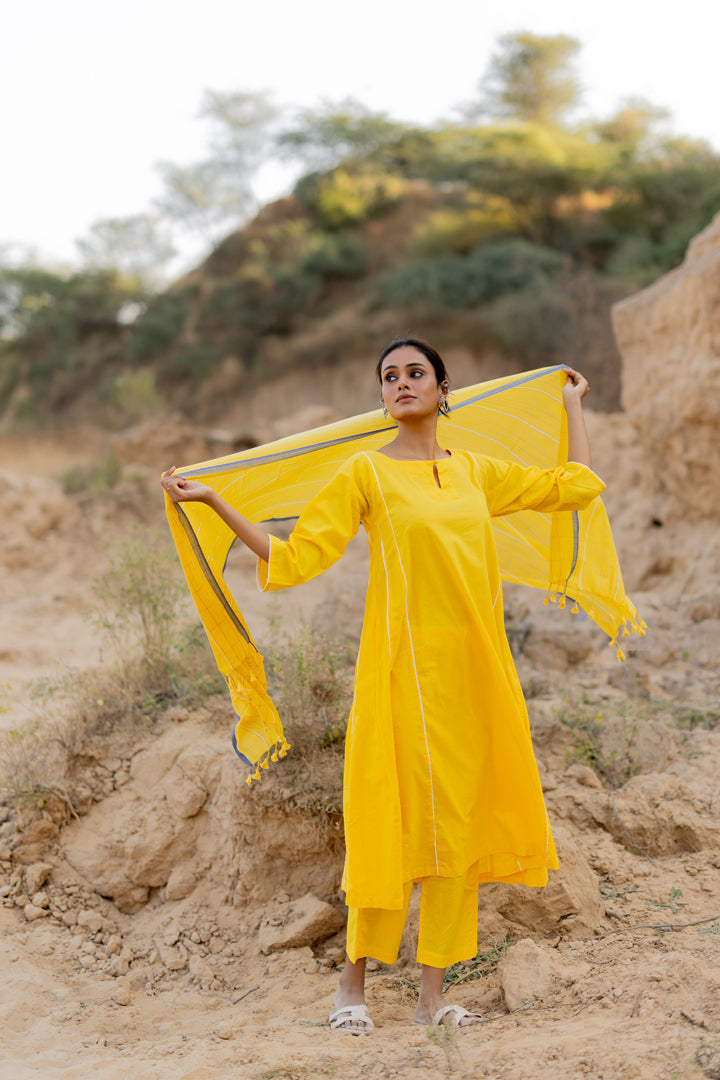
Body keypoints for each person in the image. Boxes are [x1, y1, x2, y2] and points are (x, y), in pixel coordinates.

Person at [161, 338, 604, 1034]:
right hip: (397, 674)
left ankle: (435, 998)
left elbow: (572, 485)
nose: (401, 383)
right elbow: (296, 556)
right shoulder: (364, 473)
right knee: (384, 825)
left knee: (454, 829)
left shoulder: (477, 472)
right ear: (383, 396)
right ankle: (352, 989)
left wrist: (572, 404)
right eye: (389, 377)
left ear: (442, 388)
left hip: (472, 677)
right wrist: (217, 501)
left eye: (415, 373)